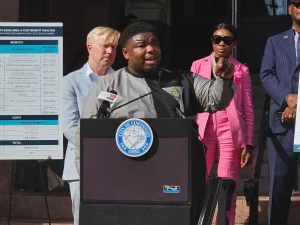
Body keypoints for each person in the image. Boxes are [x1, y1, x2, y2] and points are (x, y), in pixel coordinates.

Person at [74, 21, 236, 174]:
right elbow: (86, 137)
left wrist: (224, 79)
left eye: (155, 43)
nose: (151, 49)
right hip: (124, 177)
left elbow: (216, 98)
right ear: (125, 53)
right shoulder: (109, 87)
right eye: (141, 45)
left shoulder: (181, 79)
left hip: (172, 174)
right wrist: (92, 181)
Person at [190, 23, 254, 225]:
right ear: (212, 42)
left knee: (228, 185)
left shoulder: (241, 70)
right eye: (217, 39)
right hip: (203, 128)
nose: (221, 44)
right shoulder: (197, 65)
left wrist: (249, 142)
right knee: (199, 182)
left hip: (230, 129)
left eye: (227, 40)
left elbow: (249, 108)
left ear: (234, 44)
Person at [62, 26, 120, 225]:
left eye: (114, 47)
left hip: (119, 163)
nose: (110, 52)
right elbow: (69, 126)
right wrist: (98, 147)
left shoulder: (124, 81)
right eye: (105, 46)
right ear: (89, 48)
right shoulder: (70, 82)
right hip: (82, 163)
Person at [260, 0, 300, 224]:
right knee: (279, 187)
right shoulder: (274, 42)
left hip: (294, 113)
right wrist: (288, 98)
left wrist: (298, 103)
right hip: (282, 124)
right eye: (297, 3)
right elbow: (266, 74)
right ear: (290, 9)